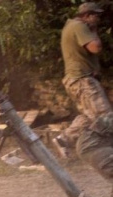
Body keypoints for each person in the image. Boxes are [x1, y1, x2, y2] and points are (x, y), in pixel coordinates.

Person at [54, 2, 112, 158]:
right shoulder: (80, 26)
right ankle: (103, 150)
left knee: (88, 117)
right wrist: (93, 30)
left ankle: (63, 140)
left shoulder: (71, 26)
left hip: (77, 79)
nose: (98, 19)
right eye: (96, 15)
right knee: (106, 116)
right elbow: (95, 48)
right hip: (82, 80)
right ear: (87, 16)